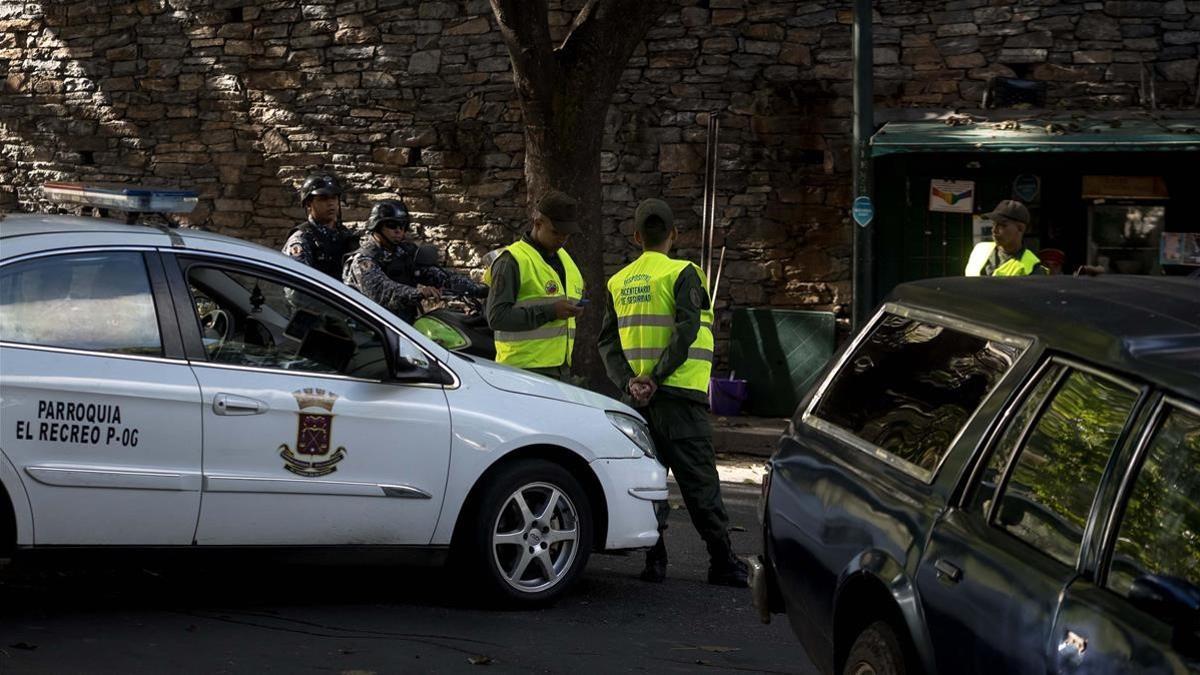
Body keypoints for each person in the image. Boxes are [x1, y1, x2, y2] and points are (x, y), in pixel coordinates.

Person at [597, 198, 748, 588]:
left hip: (636, 401)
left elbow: (607, 342)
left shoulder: (618, 281)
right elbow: (687, 331)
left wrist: (630, 382)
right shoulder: (685, 273)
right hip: (679, 398)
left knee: (649, 481)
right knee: (699, 482)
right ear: (674, 235)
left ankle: (655, 560)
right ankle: (722, 561)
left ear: (635, 237)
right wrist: (659, 376)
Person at [485, 190, 585, 381]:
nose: (562, 239)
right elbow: (496, 317)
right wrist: (550, 312)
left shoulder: (565, 259)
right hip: (521, 372)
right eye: (556, 232)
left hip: (560, 368)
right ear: (538, 223)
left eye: (567, 234)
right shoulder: (511, 261)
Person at [343, 199, 487, 324]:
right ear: (377, 226)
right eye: (392, 225)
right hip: (372, 331)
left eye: (403, 226)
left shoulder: (404, 253)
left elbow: (439, 276)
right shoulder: (363, 260)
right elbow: (382, 291)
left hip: (402, 326)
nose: (399, 230)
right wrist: (419, 292)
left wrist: (480, 289)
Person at [282, 172, 359, 279]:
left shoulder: (347, 236)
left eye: (334, 198)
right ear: (308, 204)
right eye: (323, 199)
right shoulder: (301, 240)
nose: (330, 203)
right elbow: (296, 288)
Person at [965, 200, 1049, 277]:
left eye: (1002, 225)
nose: (994, 230)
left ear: (1020, 229)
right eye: (994, 224)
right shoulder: (980, 249)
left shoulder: (1032, 266)